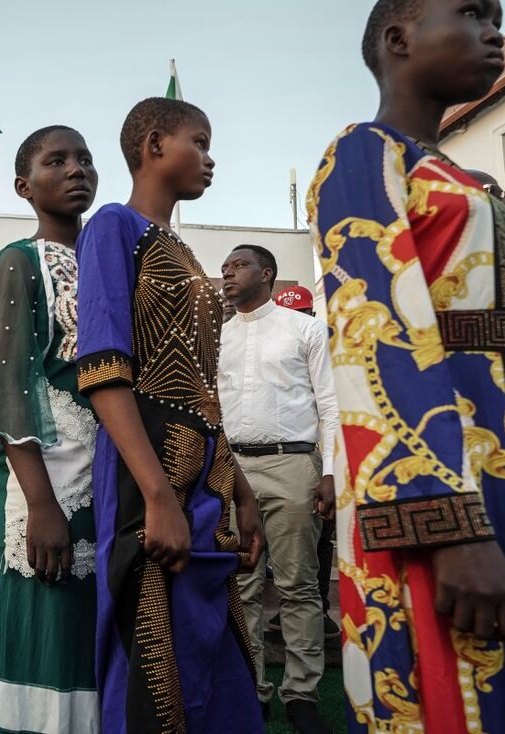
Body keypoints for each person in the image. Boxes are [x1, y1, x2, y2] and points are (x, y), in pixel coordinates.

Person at [308, 1, 505, 730]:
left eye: (500, 15)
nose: (496, 29)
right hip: (449, 486)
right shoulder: (364, 153)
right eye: (472, 12)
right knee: (458, 693)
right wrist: (452, 526)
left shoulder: (464, 178)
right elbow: (376, 336)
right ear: (399, 39)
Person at [74, 97, 264, 733]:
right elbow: (102, 369)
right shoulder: (112, 227)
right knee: (152, 647)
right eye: (200, 143)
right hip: (145, 470)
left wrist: (242, 492)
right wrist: (157, 496)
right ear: (155, 144)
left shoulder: (181, 250)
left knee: (213, 644)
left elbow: (204, 388)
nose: (210, 159)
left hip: (205, 472)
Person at [0, 125, 103, 732]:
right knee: (47, 623)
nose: (75, 169)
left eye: (84, 159)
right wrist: (40, 504)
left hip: (109, 475)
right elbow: (10, 386)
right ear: (23, 186)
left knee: (92, 635)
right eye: (55, 161)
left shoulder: (107, 261)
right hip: (50, 480)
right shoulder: (20, 260)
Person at [218, 246, 337, 732]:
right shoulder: (218, 335)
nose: (228, 272)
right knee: (240, 584)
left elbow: (329, 403)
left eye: (239, 265)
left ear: (266, 274)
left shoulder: (304, 328)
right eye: (224, 267)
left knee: (298, 585)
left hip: (292, 463)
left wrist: (331, 471)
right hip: (231, 468)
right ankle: (252, 690)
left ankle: (302, 693)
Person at [265, 285, 341, 643]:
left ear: (312, 314)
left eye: (302, 312)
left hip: (320, 457)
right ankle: (284, 611)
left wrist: (331, 469)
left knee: (320, 540)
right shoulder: (271, 348)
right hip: (284, 458)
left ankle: (317, 608)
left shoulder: (324, 346)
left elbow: (333, 409)